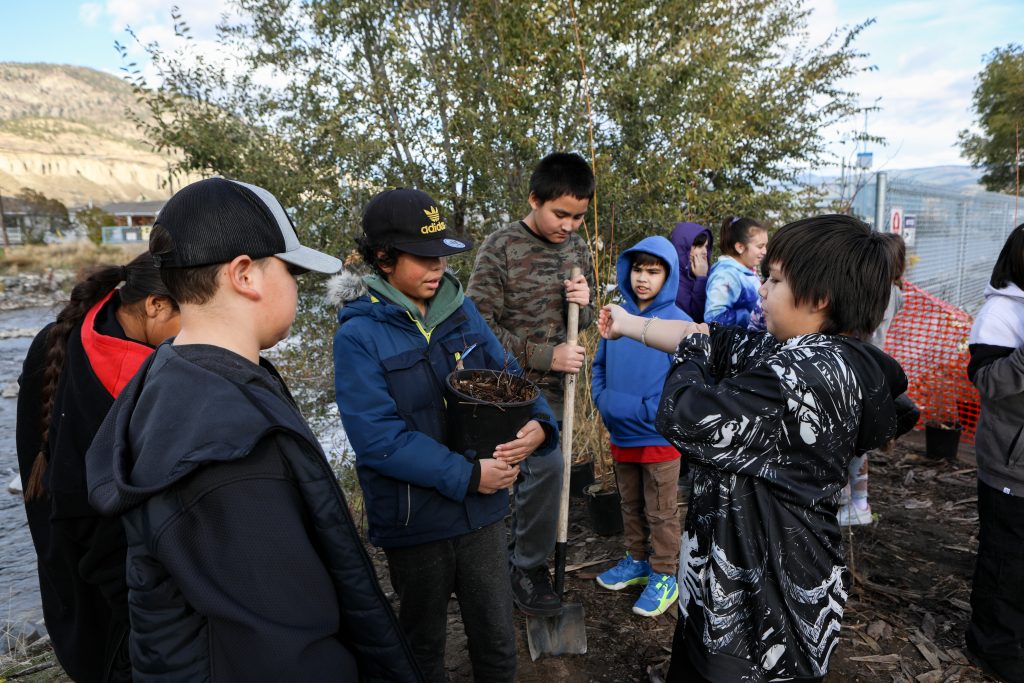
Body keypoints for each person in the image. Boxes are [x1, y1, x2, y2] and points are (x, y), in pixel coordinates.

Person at [85, 177, 422, 681]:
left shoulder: (174, 377)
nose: (295, 286)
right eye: (290, 270)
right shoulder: (230, 448)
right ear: (245, 275)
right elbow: (284, 648)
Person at [600, 214, 909, 682]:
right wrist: (630, 324)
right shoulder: (804, 353)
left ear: (820, 297)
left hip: (762, 610)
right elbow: (714, 340)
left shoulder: (807, 377)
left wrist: (692, 357)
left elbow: (685, 415)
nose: (761, 288)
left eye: (776, 280)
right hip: (734, 585)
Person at [332, 188, 558, 683]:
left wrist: (540, 425)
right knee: (422, 646)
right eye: (423, 256)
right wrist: (468, 474)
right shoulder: (358, 335)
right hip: (415, 521)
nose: (438, 267)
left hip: (482, 513)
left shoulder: (461, 310)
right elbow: (378, 440)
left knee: (497, 640)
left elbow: (510, 375)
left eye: (442, 255)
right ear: (384, 257)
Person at [16, 253, 179, 683]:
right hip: (103, 587)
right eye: (191, 316)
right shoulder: (111, 372)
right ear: (156, 306)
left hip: (68, 564)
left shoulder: (76, 335)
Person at [466, 151, 595, 616]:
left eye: (578, 217)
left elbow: (583, 316)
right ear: (534, 199)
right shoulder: (500, 247)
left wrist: (586, 300)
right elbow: (475, 323)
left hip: (560, 390)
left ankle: (524, 559)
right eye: (560, 214)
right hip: (509, 390)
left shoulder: (577, 249)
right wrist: (545, 356)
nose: (569, 225)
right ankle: (524, 567)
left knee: (546, 475)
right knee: (544, 467)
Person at [591, 236, 690, 617]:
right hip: (622, 434)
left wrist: (648, 411)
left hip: (658, 438)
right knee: (629, 504)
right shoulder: (616, 318)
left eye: (653, 270)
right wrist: (603, 400)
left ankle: (665, 573)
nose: (643, 278)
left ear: (669, 274)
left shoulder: (678, 324)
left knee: (662, 510)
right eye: (637, 269)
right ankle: (636, 560)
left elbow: (682, 387)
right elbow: (599, 366)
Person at [965, 222, 1024, 683]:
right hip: (1011, 465)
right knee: (1006, 560)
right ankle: (993, 647)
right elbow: (988, 382)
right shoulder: (1000, 313)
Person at [839, 232, 919, 526]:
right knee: (856, 441)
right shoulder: (894, 291)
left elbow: (865, 329)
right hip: (871, 367)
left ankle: (855, 502)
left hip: (864, 369)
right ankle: (852, 501)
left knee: (855, 442)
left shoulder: (882, 294)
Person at [704, 215, 767, 329]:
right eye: (760, 246)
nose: (764, 251)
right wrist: (752, 317)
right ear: (740, 247)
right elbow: (713, 318)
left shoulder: (745, 271)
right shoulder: (726, 275)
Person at [669, 221, 713, 322]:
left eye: (706, 246)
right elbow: (696, 319)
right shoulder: (673, 282)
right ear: (683, 248)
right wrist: (701, 278)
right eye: (698, 246)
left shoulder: (709, 275)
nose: (705, 252)